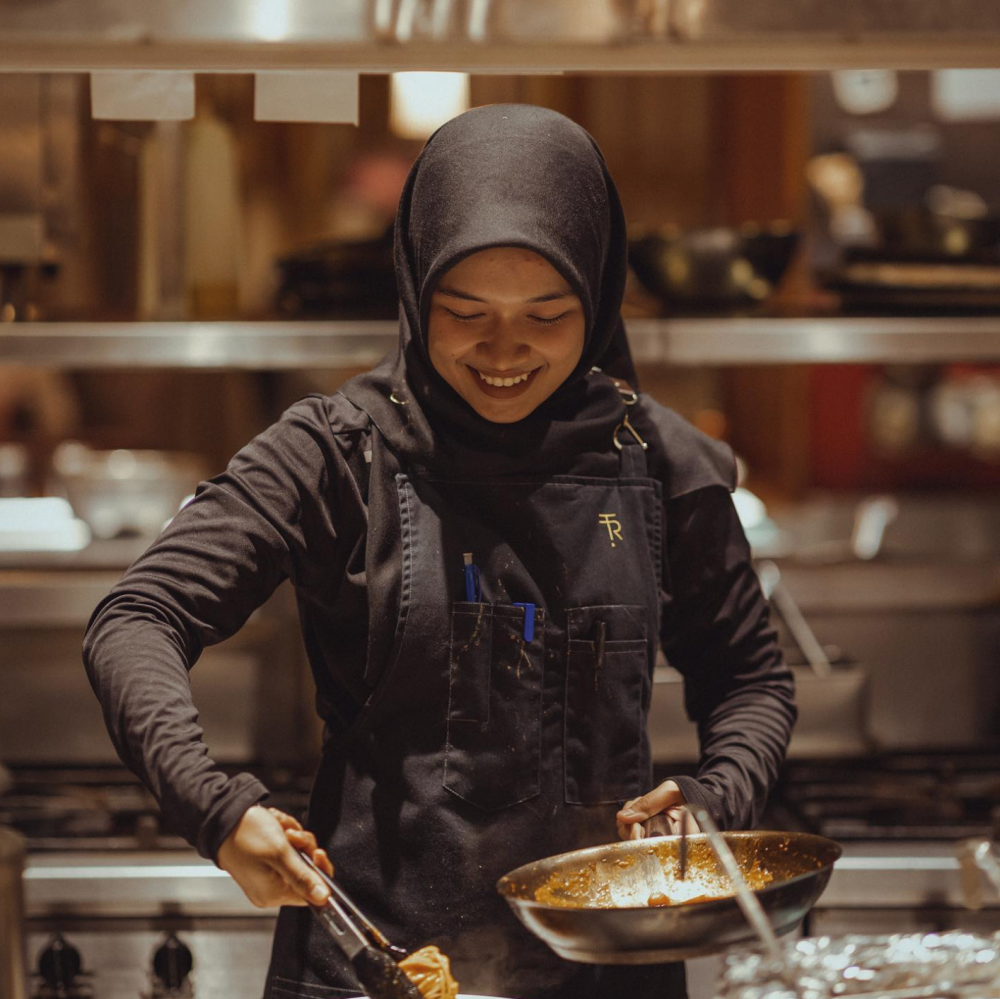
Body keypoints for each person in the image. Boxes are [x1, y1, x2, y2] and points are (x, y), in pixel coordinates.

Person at [83, 104, 795, 999]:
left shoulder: (659, 462)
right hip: (373, 963)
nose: (504, 349)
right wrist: (215, 807)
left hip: (614, 970)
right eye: (465, 312)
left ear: (598, 295)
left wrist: (716, 799)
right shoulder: (335, 452)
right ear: (417, 291)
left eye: (547, 314)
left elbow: (750, 677)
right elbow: (137, 617)